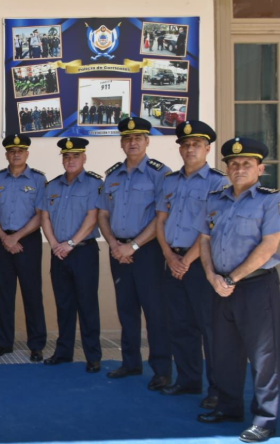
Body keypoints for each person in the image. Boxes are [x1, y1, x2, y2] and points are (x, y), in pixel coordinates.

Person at [195, 137, 280, 443]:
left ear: (260, 168)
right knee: (224, 352)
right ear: (227, 169)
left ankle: (265, 419)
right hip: (219, 287)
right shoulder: (215, 199)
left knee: (264, 356)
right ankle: (230, 407)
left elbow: (269, 245)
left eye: (246, 164)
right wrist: (211, 277)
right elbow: (204, 240)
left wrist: (232, 279)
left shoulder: (271, 200)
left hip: (256, 286)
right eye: (233, 164)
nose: (239, 168)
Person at [97, 117, 172, 390]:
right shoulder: (112, 175)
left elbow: (161, 217)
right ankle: (130, 362)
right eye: (127, 138)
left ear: (147, 141)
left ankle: (162, 369)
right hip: (118, 251)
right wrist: (115, 245)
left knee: (155, 312)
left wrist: (134, 246)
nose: (132, 142)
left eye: (138, 138)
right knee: (126, 309)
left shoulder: (161, 173)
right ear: (121, 143)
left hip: (148, 251)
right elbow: (103, 215)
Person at [155, 121, 227, 408]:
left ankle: (217, 389)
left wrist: (186, 259)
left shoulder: (217, 182)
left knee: (209, 328)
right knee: (180, 325)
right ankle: (187, 380)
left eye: (196, 144)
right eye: (185, 144)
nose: (189, 148)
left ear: (207, 148)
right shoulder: (170, 181)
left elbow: (212, 226)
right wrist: (170, 256)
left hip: (199, 264)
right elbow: (160, 221)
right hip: (172, 261)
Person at [38, 137, 103, 373]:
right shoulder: (52, 186)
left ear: (84, 158)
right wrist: (55, 244)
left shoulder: (94, 184)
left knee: (87, 305)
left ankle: (93, 355)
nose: (70, 160)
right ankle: (63, 351)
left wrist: (71, 243)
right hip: (59, 253)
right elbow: (44, 216)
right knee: (64, 304)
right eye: (66, 156)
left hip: (83, 252)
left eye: (75, 155)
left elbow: (93, 216)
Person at [0, 133, 47, 362]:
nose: (16, 154)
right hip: (3, 241)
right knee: (5, 294)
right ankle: (4, 343)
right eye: (12, 151)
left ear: (27, 154)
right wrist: (4, 237)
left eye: (20, 151)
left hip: (28, 241)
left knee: (32, 294)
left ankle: (37, 344)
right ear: (7, 154)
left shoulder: (38, 180)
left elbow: (41, 216)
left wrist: (17, 237)